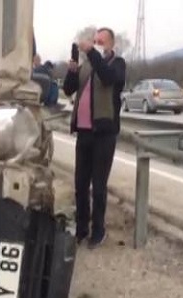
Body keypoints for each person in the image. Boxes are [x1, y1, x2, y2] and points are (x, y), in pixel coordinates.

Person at [63, 27, 126, 249]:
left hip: (104, 134)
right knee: (80, 184)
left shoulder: (117, 64)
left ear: (110, 44)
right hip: (84, 133)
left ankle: (98, 231)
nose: (97, 43)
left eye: (101, 41)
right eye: (94, 40)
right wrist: (71, 71)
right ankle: (81, 229)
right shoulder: (87, 66)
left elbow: (109, 80)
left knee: (98, 186)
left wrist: (92, 53)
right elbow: (68, 90)